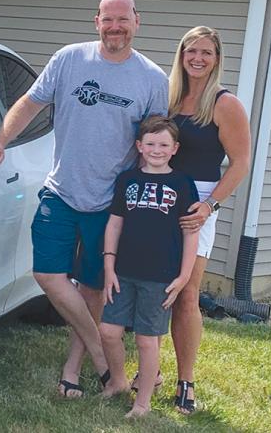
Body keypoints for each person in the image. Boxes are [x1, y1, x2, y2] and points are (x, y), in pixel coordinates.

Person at [0, 0, 168, 397]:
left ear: (138, 21)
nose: (115, 27)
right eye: (108, 19)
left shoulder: (153, 79)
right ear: (96, 21)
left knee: (91, 289)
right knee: (48, 274)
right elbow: (30, 103)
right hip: (62, 190)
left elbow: (155, 144)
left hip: (111, 202)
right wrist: (0, 137)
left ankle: (73, 367)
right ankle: (106, 362)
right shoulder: (69, 59)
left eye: (123, 19)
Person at [161, 26, 251, 414]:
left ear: (217, 59)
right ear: (181, 55)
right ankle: (150, 373)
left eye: (206, 53)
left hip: (197, 204)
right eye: (191, 51)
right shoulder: (167, 98)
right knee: (153, 289)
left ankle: (186, 381)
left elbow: (240, 161)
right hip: (157, 196)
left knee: (186, 294)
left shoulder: (224, 103)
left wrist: (210, 205)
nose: (197, 58)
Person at [99, 116, 199, 418]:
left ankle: (142, 403)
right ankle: (117, 381)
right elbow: (114, 224)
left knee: (146, 338)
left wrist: (183, 277)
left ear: (175, 148)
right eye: (151, 143)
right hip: (123, 271)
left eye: (164, 144)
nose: (157, 149)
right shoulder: (127, 180)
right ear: (139, 146)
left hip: (160, 277)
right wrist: (109, 266)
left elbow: (190, 232)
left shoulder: (182, 184)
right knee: (108, 330)